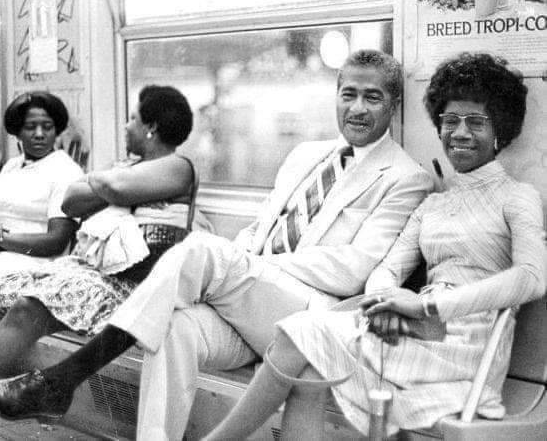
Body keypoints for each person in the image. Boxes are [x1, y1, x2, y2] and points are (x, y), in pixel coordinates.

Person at [0, 50, 434, 438]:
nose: (357, 107)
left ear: (392, 105)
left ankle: (62, 380)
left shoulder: (405, 177)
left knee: (202, 251)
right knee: (176, 328)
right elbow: (259, 228)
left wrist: (245, 267)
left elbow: (355, 268)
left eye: (372, 97)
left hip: (312, 312)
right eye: (348, 93)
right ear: (336, 95)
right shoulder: (304, 156)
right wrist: (243, 264)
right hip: (252, 300)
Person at [202, 52, 547, 440]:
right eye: (450, 121)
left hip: (468, 347)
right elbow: (388, 269)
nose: (460, 133)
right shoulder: (434, 202)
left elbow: (532, 278)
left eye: (476, 122)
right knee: (311, 363)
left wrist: (426, 305)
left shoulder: (518, 198)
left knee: (301, 335)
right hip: (420, 330)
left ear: (500, 128)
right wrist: (386, 302)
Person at [0, 85, 212, 379]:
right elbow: (71, 201)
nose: (127, 127)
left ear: (151, 128)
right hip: (93, 270)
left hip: (132, 283)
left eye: (133, 119)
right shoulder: (126, 167)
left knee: (29, 306)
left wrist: (104, 182)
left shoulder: (179, 167)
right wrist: (112, 184)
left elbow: (113, 187)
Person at [0, 91, 83, 281]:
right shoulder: (12, 165)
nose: (39, 134)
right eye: (30, 127)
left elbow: (56, 242)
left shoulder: (65, 171)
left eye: (47, 127)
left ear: (56, 130)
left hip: (34, 262)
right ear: (18, 132)